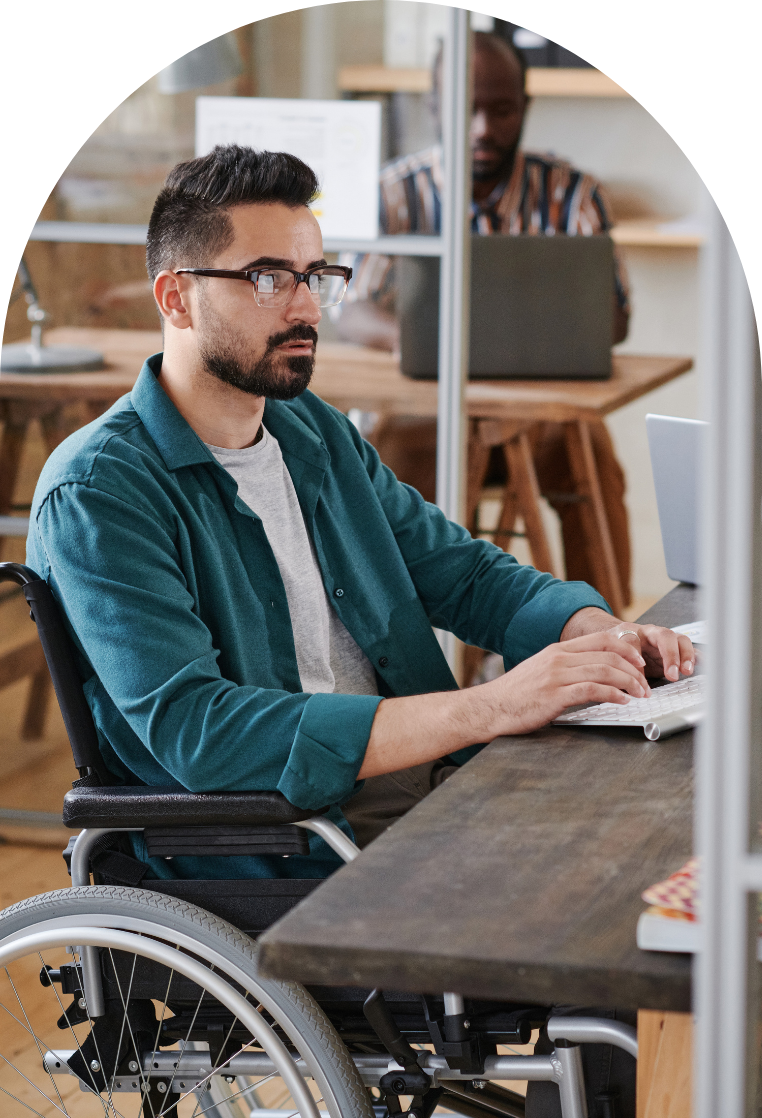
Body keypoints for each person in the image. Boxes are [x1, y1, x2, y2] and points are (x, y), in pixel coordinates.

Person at [27, 145, 692, 1118]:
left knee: (650, 836)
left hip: (404, 809)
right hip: (274, 850)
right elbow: (204, 731)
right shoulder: (102, 491)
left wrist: (596, 629)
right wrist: (492, 703)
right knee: (605, 927)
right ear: (174, 295)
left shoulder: (312, 436)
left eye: (316, 274)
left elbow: (464, 572)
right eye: (267, 277)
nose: (305, 305)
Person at [335, 31, 633, 605]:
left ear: (525, 106)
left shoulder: (574, 195)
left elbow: (613, 318)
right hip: (429, 417)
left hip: (542, 418)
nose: (482, 128)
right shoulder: (395, 193)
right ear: (434, 108)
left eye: (500, 109)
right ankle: (398, 640)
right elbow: (354, 307)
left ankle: (609, 631)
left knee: (591, 454)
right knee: (385, 466)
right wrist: (419, 340)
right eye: (465, 108)